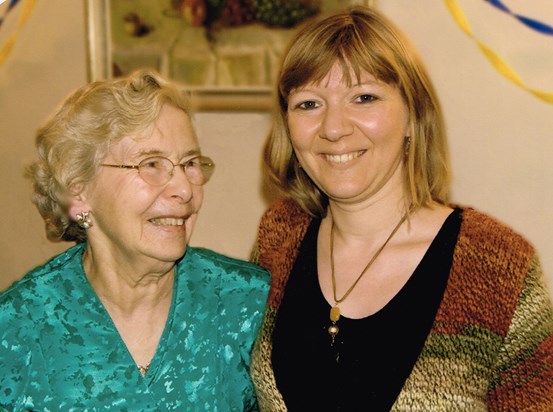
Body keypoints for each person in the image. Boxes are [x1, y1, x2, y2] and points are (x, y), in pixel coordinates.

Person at [249, 6, 553, 411]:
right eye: (308, 104)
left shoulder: (499, 266)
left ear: (413, 114)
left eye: (364, 97)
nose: (334, 128)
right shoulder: (279, 237)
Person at [0, 69, 270, 410]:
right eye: (151, 164)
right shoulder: (17, 328)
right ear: (77, 191)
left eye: (189, 164)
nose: (185, 189)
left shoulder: (246, 303)